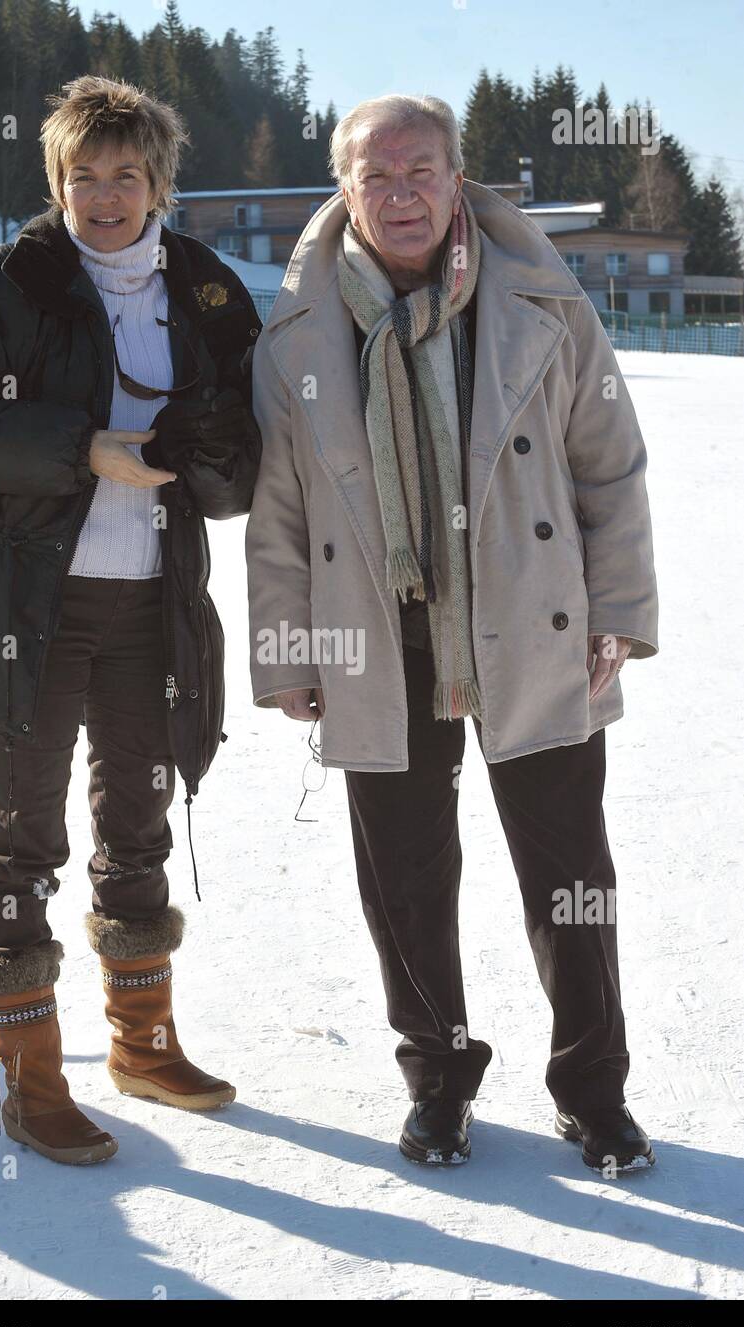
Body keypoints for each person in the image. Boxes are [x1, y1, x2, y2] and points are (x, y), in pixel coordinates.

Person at [246, 95, 659, 1174]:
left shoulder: (544, 301)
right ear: (343, 189)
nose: (400, 193)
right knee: (405, 882)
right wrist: (288, 652)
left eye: (419, 169)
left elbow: (609, 466)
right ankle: (436, 1078)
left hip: (537, 631)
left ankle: (593, 1090)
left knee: (570, 873)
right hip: (375, 639)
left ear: (458, 176)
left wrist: (618, 615)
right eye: (375, 176)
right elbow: (281, 511)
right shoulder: (298, 329)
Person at [0, 75, 261, 1166]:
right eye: (82, 176)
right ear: (55, 181)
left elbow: (242, 465)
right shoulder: (10, 280)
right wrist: (85, 451)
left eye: (125, 174)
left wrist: (205, 455)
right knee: (22, 838)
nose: (104, 196)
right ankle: (31, 1077)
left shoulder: (204, 288)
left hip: (153, 607)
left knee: (139, 824)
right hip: (29, 605)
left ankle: (142, 1042)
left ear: (159, 180)